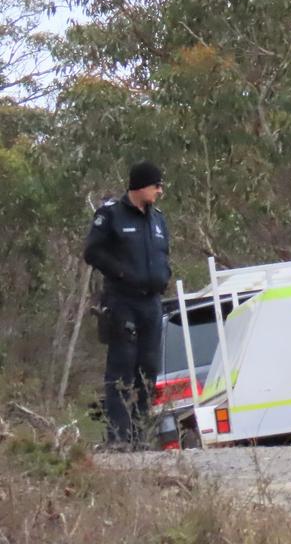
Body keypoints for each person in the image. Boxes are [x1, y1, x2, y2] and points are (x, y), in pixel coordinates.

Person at [83, 161, 171, 449]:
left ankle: (138, 435)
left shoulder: (157, 219)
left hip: (151, 303)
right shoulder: (111, 215)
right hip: (122, 301)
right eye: (156, 185)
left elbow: (163, 253)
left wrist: (164, 276)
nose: (160, 190)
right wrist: (121, 273)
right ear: (140, 186)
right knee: (122, 366)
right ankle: (118, 437)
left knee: (148, 368)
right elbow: (92, 251)